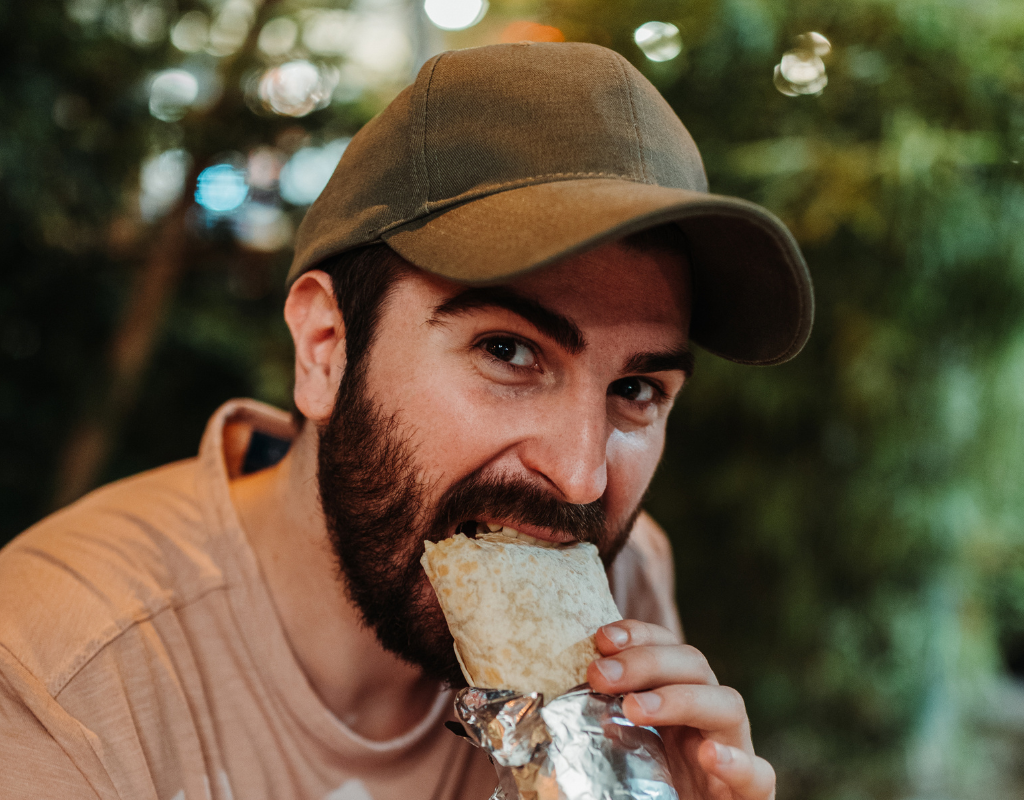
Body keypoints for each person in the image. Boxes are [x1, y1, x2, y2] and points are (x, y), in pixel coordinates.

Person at [0, 42, 812, 800]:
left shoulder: (627, 591)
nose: (581, 477)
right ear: (325, 347)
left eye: (636, 389)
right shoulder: (58, 683)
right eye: (507, 350)